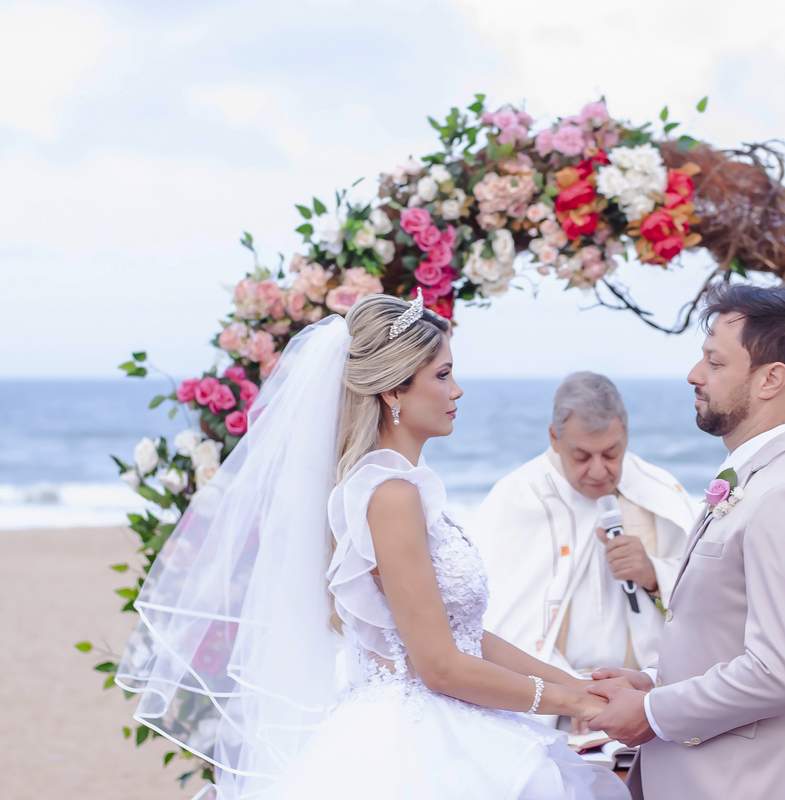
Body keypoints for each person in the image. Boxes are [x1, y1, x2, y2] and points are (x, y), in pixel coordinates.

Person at [115, 293, 630, 800]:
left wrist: (575, 685)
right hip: (418, 742)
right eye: (443, 375)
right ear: (393, 392)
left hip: (451, 717)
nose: (458, 390)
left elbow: (465, 635)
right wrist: (569, 703)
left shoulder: (399, 488)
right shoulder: (390, 496)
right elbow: (439, 666)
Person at [587, 284, 785, 800]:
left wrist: (652, 712)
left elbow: (780, 673)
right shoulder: (756, 477)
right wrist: (655, 682)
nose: (694, 374)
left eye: (715, 361)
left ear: (771, 379)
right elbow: (727, 632)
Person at [471, 373, 696, 731]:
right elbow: (493, 625)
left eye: (611, 453)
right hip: (549, 708)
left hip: (641, 699)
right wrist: (574, 696)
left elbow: (708, 605)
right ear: (554, 439)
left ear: (626, 436)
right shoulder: (514, 500)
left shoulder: (661, 492)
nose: (598, 470)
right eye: (581, 455)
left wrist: (653, 574)